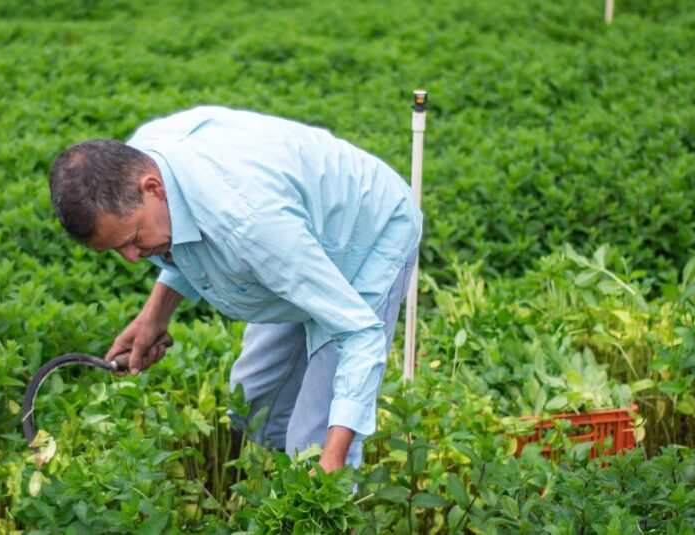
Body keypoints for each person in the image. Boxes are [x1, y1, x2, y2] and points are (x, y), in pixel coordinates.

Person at [47, 106, 422, 472]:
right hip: (294, 240)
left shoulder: (251, 223)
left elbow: (359, 332)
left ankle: (318, 504)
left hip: (365, 236)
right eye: (116, 249)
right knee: (254, 405)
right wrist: (153, 315)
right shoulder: (139, 159)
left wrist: (332, 459)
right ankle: (286, 483)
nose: (131, 258)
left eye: (132, 239)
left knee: (314, 444)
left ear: (152, 188)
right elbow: (188, 236)